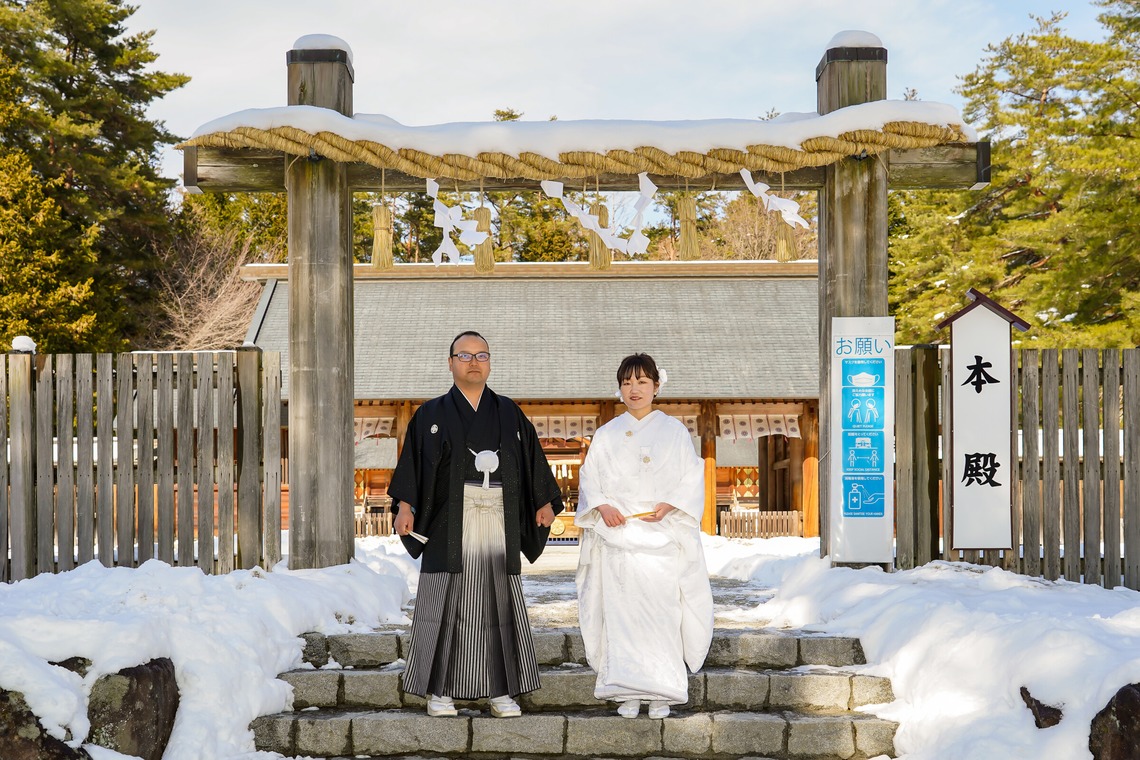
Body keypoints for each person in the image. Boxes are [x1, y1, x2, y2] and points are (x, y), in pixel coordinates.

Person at [390, 331, 562, 719]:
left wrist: (544, 502)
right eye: (464, 355)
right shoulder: (430, 414)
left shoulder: (508, 412)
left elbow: (531, 459)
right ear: (450, 363)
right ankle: (439, 692)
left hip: (497, 522)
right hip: (447, 524)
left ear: (490, 362)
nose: (473, 362)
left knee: (497, 604)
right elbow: (412, 465)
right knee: (442, 603)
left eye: (481, 355)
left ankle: (500, 691)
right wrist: (405, 505)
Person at [574, 353, 713, 719]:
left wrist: (670, 504)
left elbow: (690, 477)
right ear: (619, 388)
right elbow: (590, 478)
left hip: (660, 536)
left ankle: (663, 690)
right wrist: (602, 506)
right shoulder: (606, 434)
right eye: (627, 382)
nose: (634, 389)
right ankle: (626, 690)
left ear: (656, 385)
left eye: (641, 382)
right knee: (623, 616)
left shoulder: (673, 431)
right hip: (618, 538)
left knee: (663, 613)